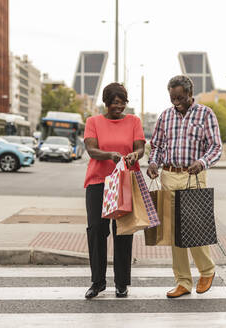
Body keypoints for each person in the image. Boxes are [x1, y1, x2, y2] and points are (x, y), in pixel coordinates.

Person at [147, 75, 222, 298]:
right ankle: (182, 281)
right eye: (172, 98)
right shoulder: (165, 116)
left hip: (193, 176)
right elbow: (157, 146)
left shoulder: (205, 114)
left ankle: (207, 271)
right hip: (169, 175)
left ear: (190, 94)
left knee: (194, 228)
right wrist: (153, 162)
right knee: (174, 232)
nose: (176, 102)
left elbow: (216, 147)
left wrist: (203, 162)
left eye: (180, 97)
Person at [83, 82, 146, 299]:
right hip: (98, 183)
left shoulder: (134, 121)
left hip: (124, 182)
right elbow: (91, 149)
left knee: (123, 232)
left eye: (122, 103)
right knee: (97, 232)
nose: (119, 107)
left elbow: (140, 148)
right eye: (114, 103)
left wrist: (134, 156)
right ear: (106, 103)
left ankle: (121, 283)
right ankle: (97, 282)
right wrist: (110, 155)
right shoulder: (93, 122)